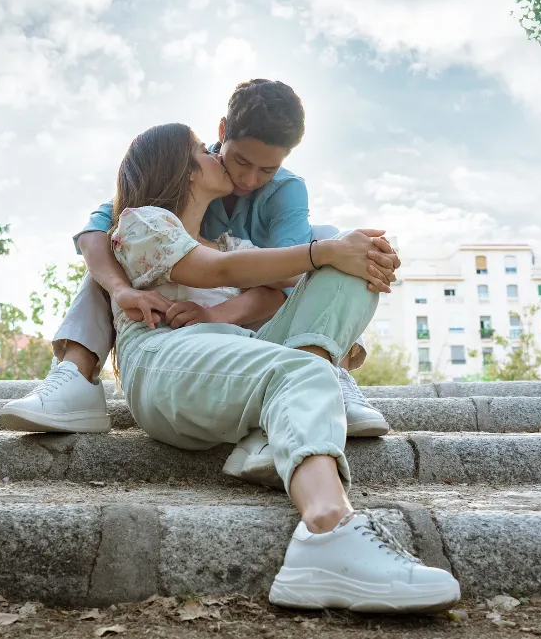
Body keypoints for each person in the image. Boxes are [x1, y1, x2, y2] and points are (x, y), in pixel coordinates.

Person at [83, 122, 461, 612]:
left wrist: (359, 253)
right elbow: (214, 271)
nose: (214, 154)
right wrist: (323, 250)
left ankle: (273, 434)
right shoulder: (143, 223)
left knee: (350, 274)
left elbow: (274, 288)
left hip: (237, 352)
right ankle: (327, 530)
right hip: (164, 358)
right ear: (184, 169)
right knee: (303, 370)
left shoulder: (229, 242)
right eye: (203, 150)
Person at [0, 79, 399, 484]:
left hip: (246, 319)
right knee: (110, 255)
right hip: (174, 311)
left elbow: (283, 280)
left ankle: (327, 370)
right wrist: (122, 289)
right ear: (222, 133)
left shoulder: (284, 192)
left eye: (267, 169)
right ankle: (75, 372)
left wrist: (218, 312)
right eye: (240, 161)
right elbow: (100, 229)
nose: (248, 179)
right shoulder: (176, 173)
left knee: (339, 245)